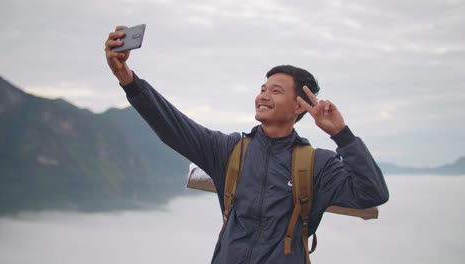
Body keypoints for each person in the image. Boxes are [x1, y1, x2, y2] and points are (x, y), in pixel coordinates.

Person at [104, 26, 389, 263]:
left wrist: (341, 134)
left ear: (299, 106)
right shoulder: (230, 151)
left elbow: (371, 193)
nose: (263, 96)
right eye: (262, 89)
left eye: (275, 91)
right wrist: (126, 78)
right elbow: (173, 126)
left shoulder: (318, 165)